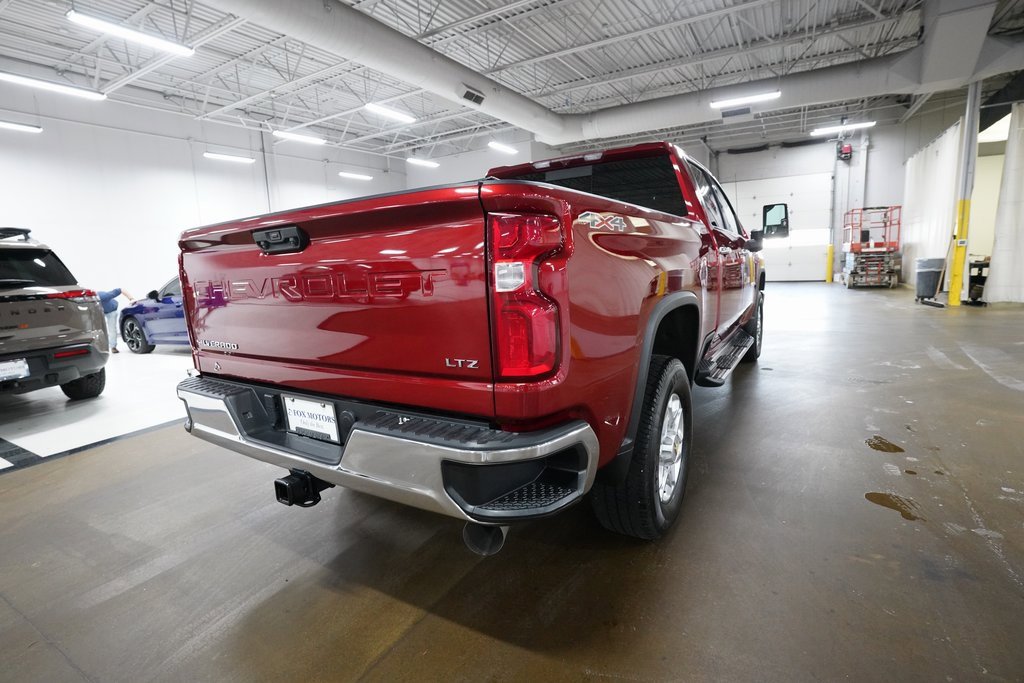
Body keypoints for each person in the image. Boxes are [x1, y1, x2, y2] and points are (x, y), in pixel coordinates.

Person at [98, 288, 133, 353]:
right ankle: (101, 347)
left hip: (111, 310)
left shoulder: (104, 296)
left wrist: (131, 299)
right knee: (98, 329)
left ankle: (113, 347)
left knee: (112, 329)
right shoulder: (84, 301)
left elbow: (121, 289)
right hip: (100, 312)